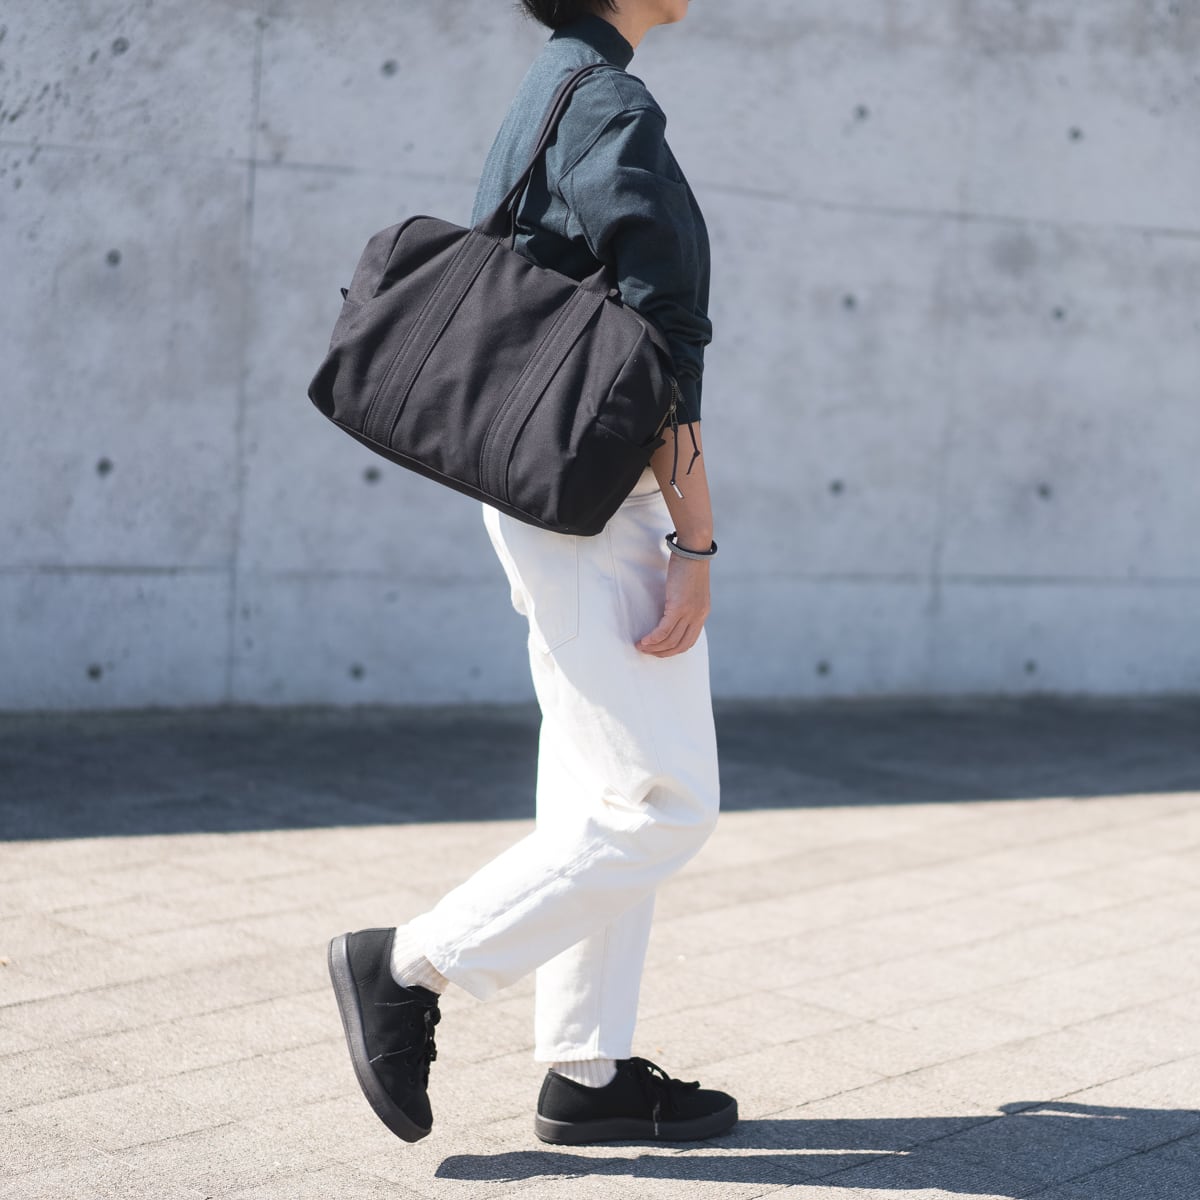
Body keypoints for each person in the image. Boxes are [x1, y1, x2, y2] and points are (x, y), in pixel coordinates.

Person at [328, 0, 734, 1147]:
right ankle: (407, 965)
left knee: (601, 789)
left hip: (546, 491)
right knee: (663, 804)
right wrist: (696, 542)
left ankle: (588, 1071)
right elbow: (664, 347)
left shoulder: (556, 87)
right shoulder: (608, 104)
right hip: (599, 502)